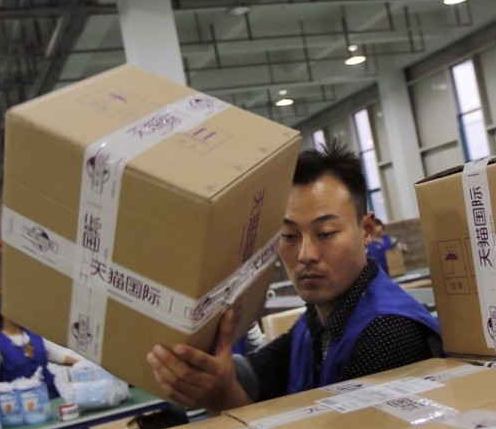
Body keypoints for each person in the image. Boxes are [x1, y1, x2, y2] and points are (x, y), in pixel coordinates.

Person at [147, 144, 442, 412]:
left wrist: (223, 397)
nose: (305, 254)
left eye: (325, 233)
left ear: (366, 230)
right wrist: (209, 373)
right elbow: (261, 373)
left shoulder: (388, 332)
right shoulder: (317, 322)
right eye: (288, 236)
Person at [0, 313, 79, 429]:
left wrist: (84, 364)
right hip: (19, 412)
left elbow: (58, 356)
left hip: (49, 402)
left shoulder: (35, 337)